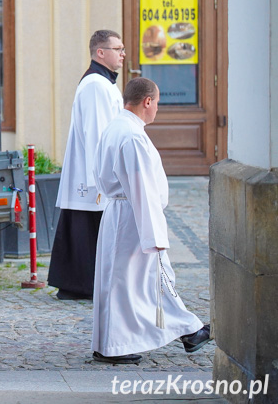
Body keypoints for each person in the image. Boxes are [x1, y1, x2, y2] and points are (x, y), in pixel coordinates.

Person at [91, 77, 211, 364]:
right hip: (133, 217)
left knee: (123, 283)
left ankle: (112, 343)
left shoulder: (117, 127)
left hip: (121, 214)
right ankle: (189, 330)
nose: (157, 108)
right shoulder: (131, 135)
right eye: (157, 102)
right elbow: (141, 187)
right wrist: (154, 235)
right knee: (146, 279)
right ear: (147, 101)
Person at [47, 30, 125, 300]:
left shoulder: (103, 83)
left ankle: (81, 285)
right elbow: (98, 133)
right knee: (85, 230)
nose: (123, 54)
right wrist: (103, 178)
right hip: (92, 175)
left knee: (84, 230)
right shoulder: (95, 85)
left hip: (93, 173)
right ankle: (80, 286)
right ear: (100, 53)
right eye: (118, 49)